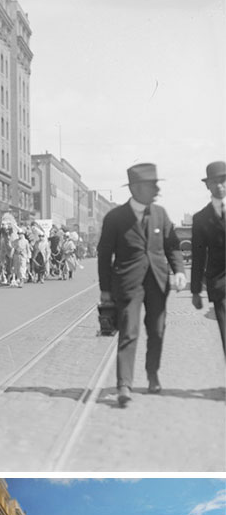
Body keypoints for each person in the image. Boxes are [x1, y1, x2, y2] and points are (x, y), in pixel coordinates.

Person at [97, 162, 186, 407]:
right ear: (135, 188)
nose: (157, 190)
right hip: (128, 284)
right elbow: (104, 255)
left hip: (157, 281)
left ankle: (152, 374)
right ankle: (124, 384)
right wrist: (105, 290)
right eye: (152, 185)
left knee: (157, 331)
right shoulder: (115, 218)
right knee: (129, 331)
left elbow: (172, 246)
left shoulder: (161, 214)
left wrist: (179, 270)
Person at [190, 160, 226, 354]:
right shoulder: (201, 218)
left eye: (223, 180)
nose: (219, 186)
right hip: (221, 284)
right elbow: (198, 256)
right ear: (207, 185)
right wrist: (196, 291)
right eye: (214, 182)